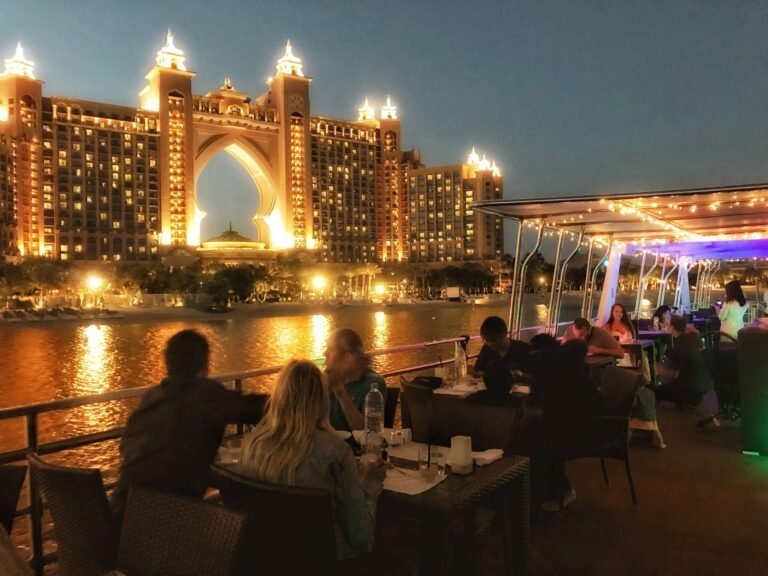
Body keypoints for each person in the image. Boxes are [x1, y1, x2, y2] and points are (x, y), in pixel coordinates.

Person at [112, 330, 266, 520]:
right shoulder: (204, 394)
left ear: (167, 364)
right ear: (205, 366)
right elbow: (256, 409)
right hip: (166, 524)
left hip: (120, 517)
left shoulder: (150, 397)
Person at [240, 360, 386, 559]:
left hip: (267, 559)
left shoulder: (252, 444)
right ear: (321, 400)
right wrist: (370, 483)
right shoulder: (335, 451)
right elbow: (360, 536)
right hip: (325, 562)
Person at [530, 340, 603, 511]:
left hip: (581, 435)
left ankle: (559, 490)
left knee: (541, 443)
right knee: (541, 438)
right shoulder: (580, 377)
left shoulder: (564, 377)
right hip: (586, 428)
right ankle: (545, 490)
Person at [656, 316, 719, 429]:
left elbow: (672, 371)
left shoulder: (678, 346)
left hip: (689, 385)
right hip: (706, 383)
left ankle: (684, 400)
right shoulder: (693, 339)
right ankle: (689, 400)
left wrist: (658, 369)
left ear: (672, 328)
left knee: (658, 391)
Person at [325, 328, 386, 431]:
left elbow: (369, 432)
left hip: (354, 446)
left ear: (347, 357)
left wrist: (341, 395)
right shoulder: (327, 378)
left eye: (331, 350)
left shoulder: (373, 385)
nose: (325, 353)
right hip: (330, 442)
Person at [470, 316, 531, 405]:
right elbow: (478, 370)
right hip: (492, 394)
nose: (490, 343)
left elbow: (536, 376)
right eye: (486, 340)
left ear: (503, 334)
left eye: (492, 339)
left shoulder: (524, 349)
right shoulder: (487, 349)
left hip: (517, 397)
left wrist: (521, 375)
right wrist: (475, 372)